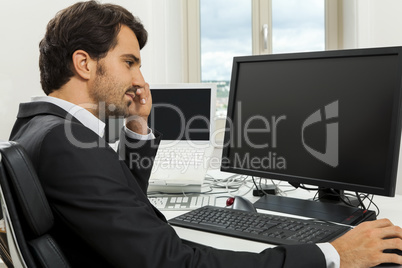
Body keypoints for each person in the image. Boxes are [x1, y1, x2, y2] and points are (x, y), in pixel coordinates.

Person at [9, 1, 402, 267]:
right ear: (84, 63)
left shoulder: (38, 129)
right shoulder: (67, 144)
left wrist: (138, 128)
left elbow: (121, 201)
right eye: (129, 62)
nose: (139, 79)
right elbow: (175, 263)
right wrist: (331, 254)